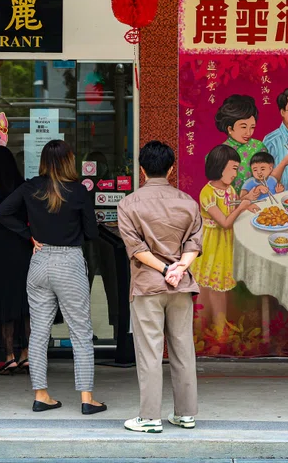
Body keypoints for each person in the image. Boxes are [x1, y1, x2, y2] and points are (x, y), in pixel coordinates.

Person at [0, 140, 106, 415]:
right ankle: (86, 397)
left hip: (40, 261)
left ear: (43, 161)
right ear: (69, 161)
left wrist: (28, 235)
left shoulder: (30, 187)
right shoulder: (79, 191)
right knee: (80, 332)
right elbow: (92, 234)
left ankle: (41, 395)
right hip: (69, 262)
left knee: (39, 332)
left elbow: (1, 213)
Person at [117, 141, 202, 434]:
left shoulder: (128, 204)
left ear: (141, 169)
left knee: (150, 352)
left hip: (147, 286)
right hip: (181, 286)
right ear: (171, 168)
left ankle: (150, 417)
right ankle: (186, 414)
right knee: (183, 350)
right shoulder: (188, 202)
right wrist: (179, 268)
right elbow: (194, 244)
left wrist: (166, 269)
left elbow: (136, 248)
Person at [191, 144, 258, 326]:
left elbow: (232, 208)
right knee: (214, 287)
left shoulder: (229, 189)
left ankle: (209, 325)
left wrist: (245, 204)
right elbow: (225, 222)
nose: (235, 174)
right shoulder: (207, 193)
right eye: (233, 169)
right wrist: (243, 206)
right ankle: (217, 329)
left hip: (225, 242)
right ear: (220, 167)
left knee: (213, 286)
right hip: (212, 243)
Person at [0, 145, 33, 376]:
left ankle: (9, 357)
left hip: (2, 251)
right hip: (23, 248)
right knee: (25, 303)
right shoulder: (25, 187)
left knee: (5, 303)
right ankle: (27, 355)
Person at [214, 94, 270, 194]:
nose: (249, 133)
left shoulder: (259, 147)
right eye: (243, 127)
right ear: (230, 128)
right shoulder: (218, 153)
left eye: (252, 127)